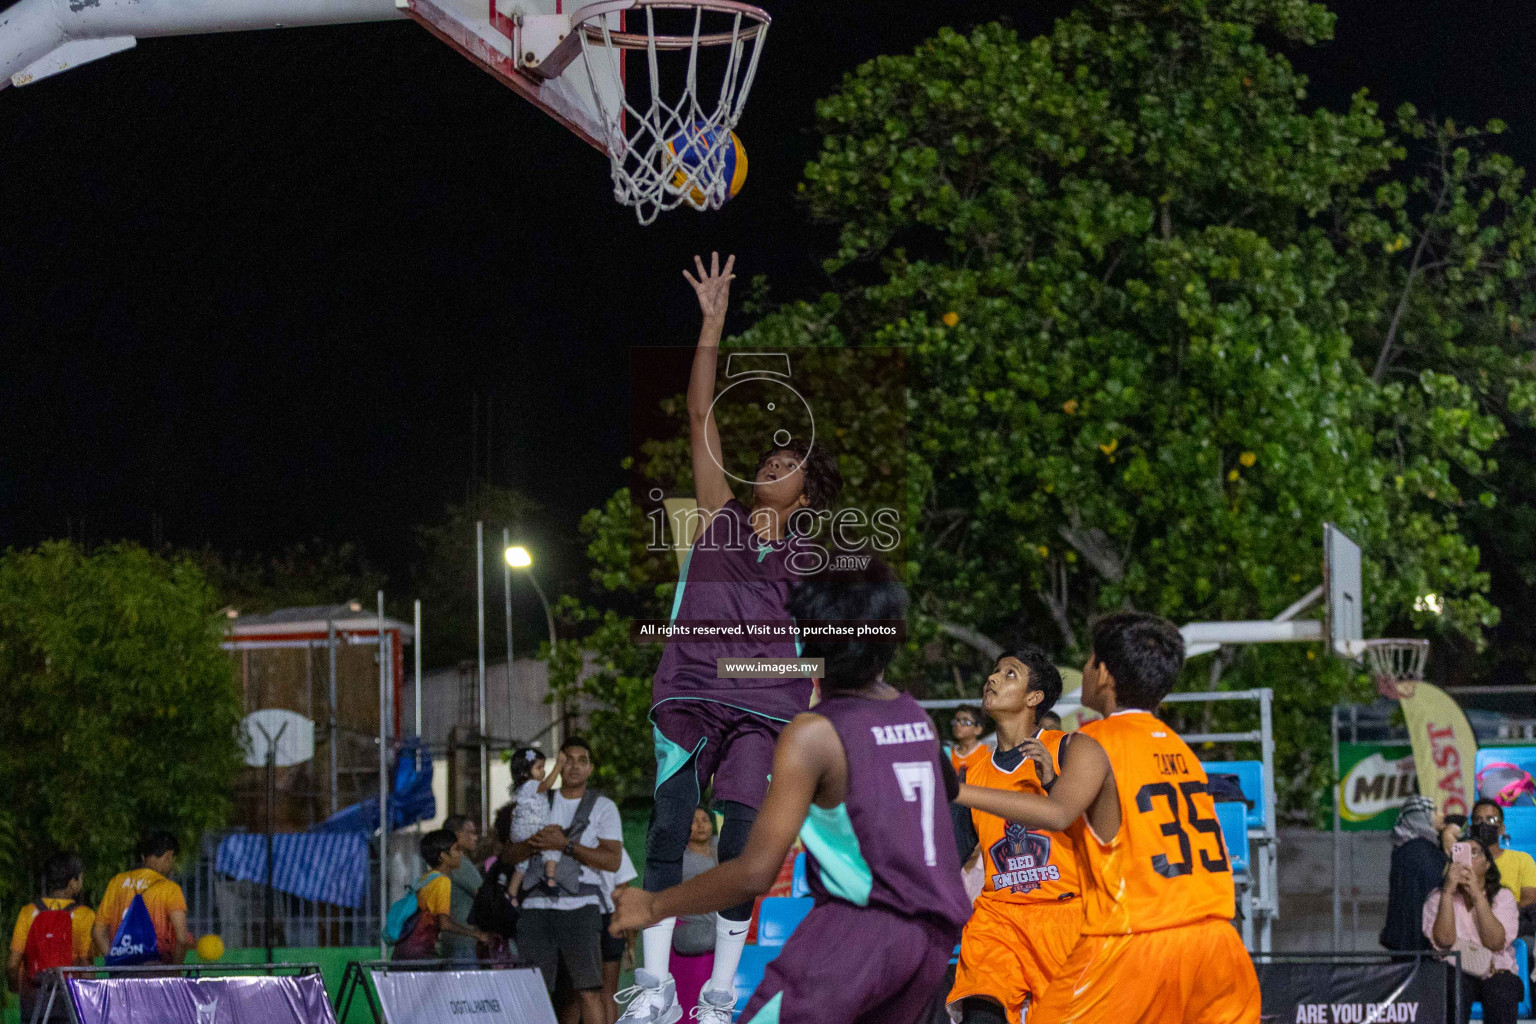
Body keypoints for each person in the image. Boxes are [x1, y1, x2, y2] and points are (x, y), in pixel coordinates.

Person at [612, 559, 973, 1024]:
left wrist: (654, 904)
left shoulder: (815, 733)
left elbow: (753, 874)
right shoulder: (916, 719)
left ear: (804, 636)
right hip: (931, 942)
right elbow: (946, 789)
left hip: (858, 937)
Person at [630, 253, 844, 1024]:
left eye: (788, 463)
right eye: (769, 458)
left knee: (744, 849)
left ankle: (719, 996)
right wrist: (711, 324)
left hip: (764, 702)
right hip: (689, 687)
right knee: (665, 823)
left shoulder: (815, 555)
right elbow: (698, 417)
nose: (771, 465)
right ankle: (653, 989)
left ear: (808, 493)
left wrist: (815, 692)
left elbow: (830, 645)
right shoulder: (717, 511)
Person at [958, 612, 1260, 1024]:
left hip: (1139, 936)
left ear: (1103, 674)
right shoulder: (1179, 748)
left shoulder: (1094, 743)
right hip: (1217, 940)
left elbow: (1059, 813)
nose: (1083, 668)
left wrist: (955, 789)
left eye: (1088, 660)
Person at [947, 648, 1082, 1024]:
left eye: (1009, 674)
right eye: (994, 671)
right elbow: (951, 854)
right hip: (998, 918)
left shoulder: (1067, 749)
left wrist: (1053, 783)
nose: (992, 679)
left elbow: (1097, 829)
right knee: (981, 1014)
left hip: (1063, 915)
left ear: (1034, 698)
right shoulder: (971, 772)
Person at [517, 737, 623, 1024]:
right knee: (535, 990)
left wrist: (565, 844)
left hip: (582, 906)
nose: (575, 766)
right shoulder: (538, 801)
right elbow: (508, 853)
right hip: (537, 905)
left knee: (588, 991)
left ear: (590, 768)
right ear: (558, 765)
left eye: (582, 760)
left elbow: (612, 860)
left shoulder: (603, 807)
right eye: (567, 759)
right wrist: (532, 843)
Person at [1423, 837, 1522, 1024]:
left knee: (1503, 991)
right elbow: (1444, 941)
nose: (1467, 860)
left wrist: (1476, 893)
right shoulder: (1437, 898)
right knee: (1451, 988)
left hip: (1496, 969)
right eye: (1460, 853)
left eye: (1474, 853)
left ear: (1487, 865)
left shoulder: (1503, 897)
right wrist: (1448, 892)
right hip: (1454, 969)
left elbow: (1495, 943)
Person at [9, 853, 95, 1022]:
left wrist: (16, 989)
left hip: (33, 1002)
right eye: (80, 879)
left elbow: (13, 964)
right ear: (72, 883)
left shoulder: (29, 912)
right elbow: (86, 965)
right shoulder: (84, 915)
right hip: (69, 1001)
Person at [92, 831, 193, 964]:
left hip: (122, 971)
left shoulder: (117, 882)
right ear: (168, 856)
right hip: (155, 970)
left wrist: (113, 960)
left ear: (143, 856)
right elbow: (182, 938)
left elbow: (98, 931)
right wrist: (174, 970)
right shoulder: (169, 889)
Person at [394, 829, 492, 960]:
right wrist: (476, 934)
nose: (461, 854)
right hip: (420, 951)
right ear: (443, 856)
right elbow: (444, 924)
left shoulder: (425, 879)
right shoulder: (442, 881)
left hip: (403, 949)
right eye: (456, 849)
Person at [669, 808, 721, 1014]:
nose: (700, 825)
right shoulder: (679, 858)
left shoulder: (721, 847)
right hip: (691, 937)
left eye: (705, 820)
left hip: (719, 937)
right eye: (694, 821)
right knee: (688, 999)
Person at [1381, 795, 1448, 951]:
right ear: (1422, 817)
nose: (1441, 815)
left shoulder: (1404, 849)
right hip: (1421, 941)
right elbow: (1438, 887)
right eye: (1435, 811)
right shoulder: (1422, 851)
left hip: (1404, 940)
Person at [509, 747, 566, 898]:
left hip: (522, 831)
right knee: (552, 847)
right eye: (539, 768)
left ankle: (511, 892)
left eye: (544, 767)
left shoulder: (522, 788)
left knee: (522, 865)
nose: (543, 772)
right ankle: (550, 878)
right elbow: (547, 784)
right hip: (531, 828)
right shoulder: (531, 785)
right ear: (525, 771)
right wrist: (558, 766)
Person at [1469, 799, 1536, 918]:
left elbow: (1530, 899)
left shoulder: (1522, 860)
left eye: (1491, 819)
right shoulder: (1463, 860)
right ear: (1471, 828)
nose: (1484, 824)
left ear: (1501, 829)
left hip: (1512, 924)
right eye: (1478, 819)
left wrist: (1497, 917)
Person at [440, 814, 486, 961]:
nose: (475, 837)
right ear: (456, 836)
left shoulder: (446, 864)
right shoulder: (460, 864)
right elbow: (484, 897)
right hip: (465, 943)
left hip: (451, 941)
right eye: (471, 832)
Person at [948, 705, 990, 780]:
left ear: (978, 729)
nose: (958, 725)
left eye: (965, 722)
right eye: (956, 720)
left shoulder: (988, 753)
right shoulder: (948, 753)